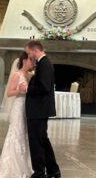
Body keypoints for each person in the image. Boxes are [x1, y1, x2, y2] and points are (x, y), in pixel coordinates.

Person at [0, 52, 34, 178]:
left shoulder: (30, 75)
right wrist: (20, 90)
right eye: (31, 60)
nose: (33, 63)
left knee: (24, 136)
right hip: (18, 107)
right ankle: (13, 167)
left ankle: (25, 165)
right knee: (16, 134)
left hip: (27, 108)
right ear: (24, 61)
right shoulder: (16, 75)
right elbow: (9, 93)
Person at [20, 40, 61, 178]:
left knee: (36, 142)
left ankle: (39, 173)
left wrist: (27, 88)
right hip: (39, 109)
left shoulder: (44, 64)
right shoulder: (43, 63)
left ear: (34, 50)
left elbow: (43, 87)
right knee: (43, 140)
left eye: (28, 52)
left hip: (38, 110)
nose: (28, 55)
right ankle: (53, 171)